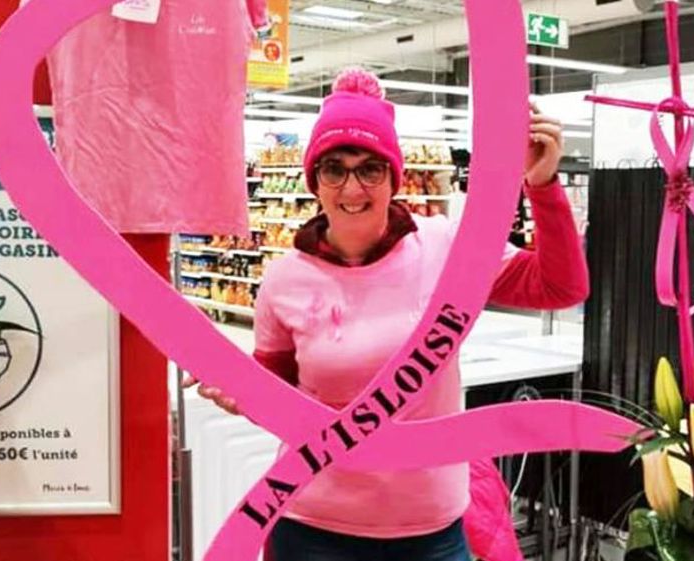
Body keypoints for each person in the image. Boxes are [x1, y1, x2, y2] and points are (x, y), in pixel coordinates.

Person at [194, 67, 589, 561]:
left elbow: (560, 285)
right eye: (334, 168)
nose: (352, 188)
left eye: (370, 168)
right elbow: (283, 402)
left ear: (393, 177)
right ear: (314, 179)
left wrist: (544, 185)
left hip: (430, 532)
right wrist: (240, 391)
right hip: (313, 528)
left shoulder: (445, 247)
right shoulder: (284, 279)